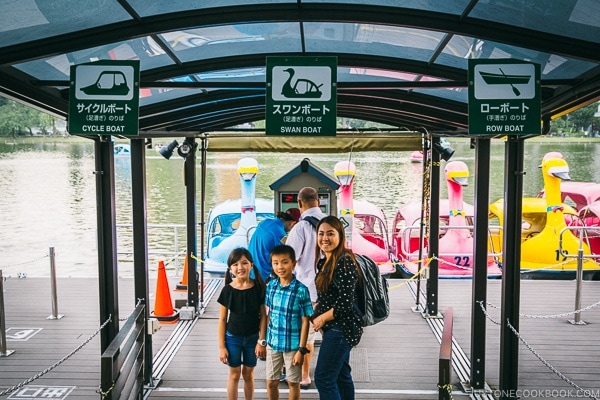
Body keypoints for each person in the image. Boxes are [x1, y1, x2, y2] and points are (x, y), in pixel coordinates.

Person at [311, 216, 363, 400]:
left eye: (330, 234)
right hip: (333, 328)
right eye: (321, 233)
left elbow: (345, 303)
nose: (325, 238)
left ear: (340, 236)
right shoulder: (324, 261)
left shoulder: (345, 261)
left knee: (323, 378)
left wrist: (322, 318)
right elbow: (328, 296)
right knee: (341, 375)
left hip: (342, 328)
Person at [285, 187, 327, 387]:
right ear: (318, 201)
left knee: (306, 333)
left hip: (308, 289)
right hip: (329, 289)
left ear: (300, 204)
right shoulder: (331, 224)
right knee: (329, 332)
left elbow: (289, 259)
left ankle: (304, 376)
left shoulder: (300, 228)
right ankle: (331, 370)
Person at [217, 248, 268, 400]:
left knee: (248, 373)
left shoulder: (259, 288)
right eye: (235, 264)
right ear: (230, 268)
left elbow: (264, 316)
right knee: (234, 375)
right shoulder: (227, 290)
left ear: (251, 265)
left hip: (253, 338)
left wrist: (262, 341)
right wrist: (221, 346)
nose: (240, 267)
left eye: (244, 263)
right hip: (232, 337)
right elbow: (222, 319)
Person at [265, 244, 314, 400]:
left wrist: (301, 349)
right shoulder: (271, 286)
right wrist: (262, 340)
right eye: (276, 262)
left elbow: (306, 321)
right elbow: (268, 314)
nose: (280, 267)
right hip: (273, 344)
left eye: (285, 262)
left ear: (293, 263)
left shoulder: (301, 290)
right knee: (271, 382)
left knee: (293, 382)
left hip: (293, 346)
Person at [248, 208, 301, 281]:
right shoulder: (279, 234)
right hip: (263, 276)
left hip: (250, 270)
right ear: (293, 223)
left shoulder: (265, 222)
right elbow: (284, 257)